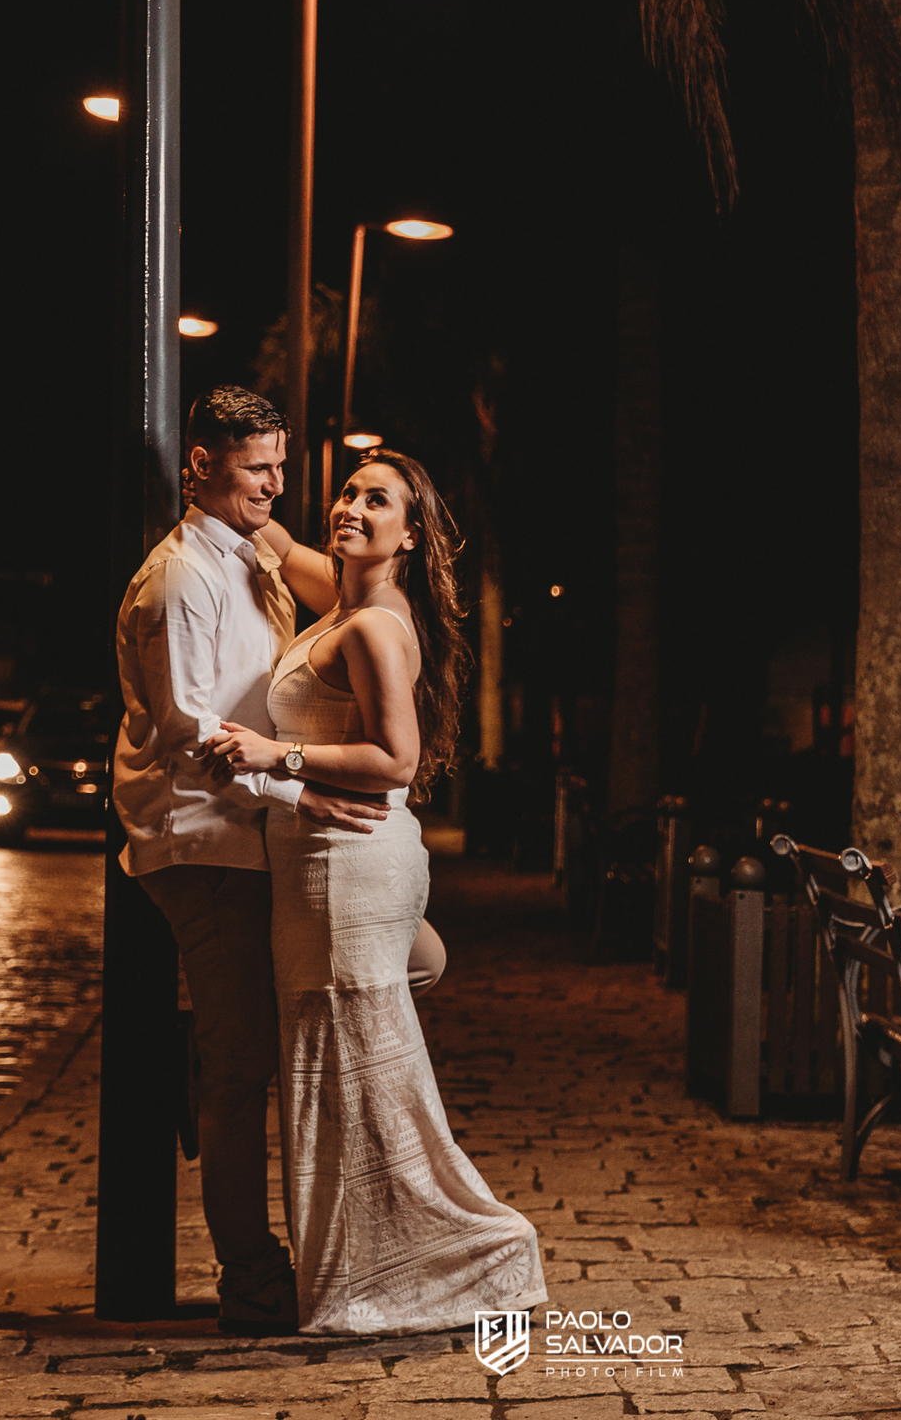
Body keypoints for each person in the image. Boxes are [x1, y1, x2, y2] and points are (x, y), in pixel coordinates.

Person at [112, 387, 443, 1336]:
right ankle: (253, 1279)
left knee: (412, 962)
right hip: (205, 837)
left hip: (258, 830)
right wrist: (299, 788)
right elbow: (193, 739)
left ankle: (215, 1046)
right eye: (256, 468)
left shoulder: (252, 552)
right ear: (200, 467)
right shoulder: (179, 579)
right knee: (243, 1067)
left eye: (282, 467)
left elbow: (350, 595)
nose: (275, 485)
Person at [208, 448, 547, 1334]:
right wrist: (229, 482)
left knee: (351, 1073)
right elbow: (277, 541)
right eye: (349, 491)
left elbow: (395, 759)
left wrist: (275, 754)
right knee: (352, 1057)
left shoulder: (373, 628)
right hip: (352, 864)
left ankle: (464, 1252)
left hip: (341, 866)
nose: (351, 506)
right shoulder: (345, 598)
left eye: (378, 500)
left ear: (411, 536)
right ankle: (371, 1263)